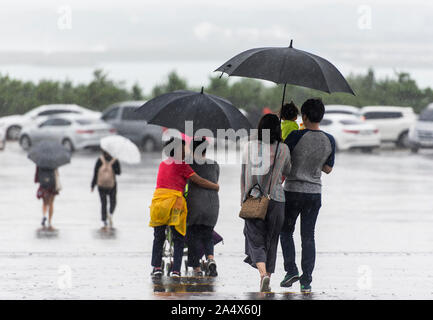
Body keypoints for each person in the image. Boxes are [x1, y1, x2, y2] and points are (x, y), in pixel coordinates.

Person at [280, 98, 336, 293]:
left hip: (293, 191)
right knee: (308, 236)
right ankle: (307, 280)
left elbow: (283, 161)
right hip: (314, 194)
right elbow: (328, 169)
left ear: (303, 116)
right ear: (321, 116)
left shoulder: (295, 136)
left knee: (286, 231)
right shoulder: (329, 139)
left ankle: (291, 270)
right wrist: (314, 160)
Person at [149, 137, 219, 278]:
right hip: (174, 204)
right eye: (183, 148)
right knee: (179, 238)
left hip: (158, 204)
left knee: (158, 237)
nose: (185, 151)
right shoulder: (182, 165)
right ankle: (176, 270)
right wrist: (215, 186)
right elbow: (198, 180)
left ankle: (156, 267)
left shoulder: (163, 164)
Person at [241, 114, 291, 292]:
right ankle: (267, 277)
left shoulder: (249, 147)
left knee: (255, 239)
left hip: (254, 198)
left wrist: (243, 199)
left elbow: (244, 174)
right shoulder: (283, 149)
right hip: (277, 200)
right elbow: (288, 170)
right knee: (271, 240)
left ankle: (263, 274)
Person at [185, 137, 220, 277]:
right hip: (212, 205)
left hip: (195, 204)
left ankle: (197, 268)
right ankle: (210, 259)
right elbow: (215, 181)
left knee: (192, 234)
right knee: (208, 233)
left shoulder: (188, 164)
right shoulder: (215, 164)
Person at [91, 150, 121, 230]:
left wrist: (93, 185)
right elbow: (119, 172)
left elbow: (95, 173)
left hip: (101, 185)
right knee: (113, 201)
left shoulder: (100, 160)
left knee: (103, 203)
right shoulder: (114, 160)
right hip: (112, 185)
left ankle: (104, 220)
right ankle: (110, 213)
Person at [35, 166, 61, 230]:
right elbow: (57, 173)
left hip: (43, 182)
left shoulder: (40, 160)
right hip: (52, 183)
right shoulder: (54, 161)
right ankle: (49, 221)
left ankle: (44, 215)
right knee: (51, 203)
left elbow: (37, 172)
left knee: (44, 202)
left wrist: (37, 180)